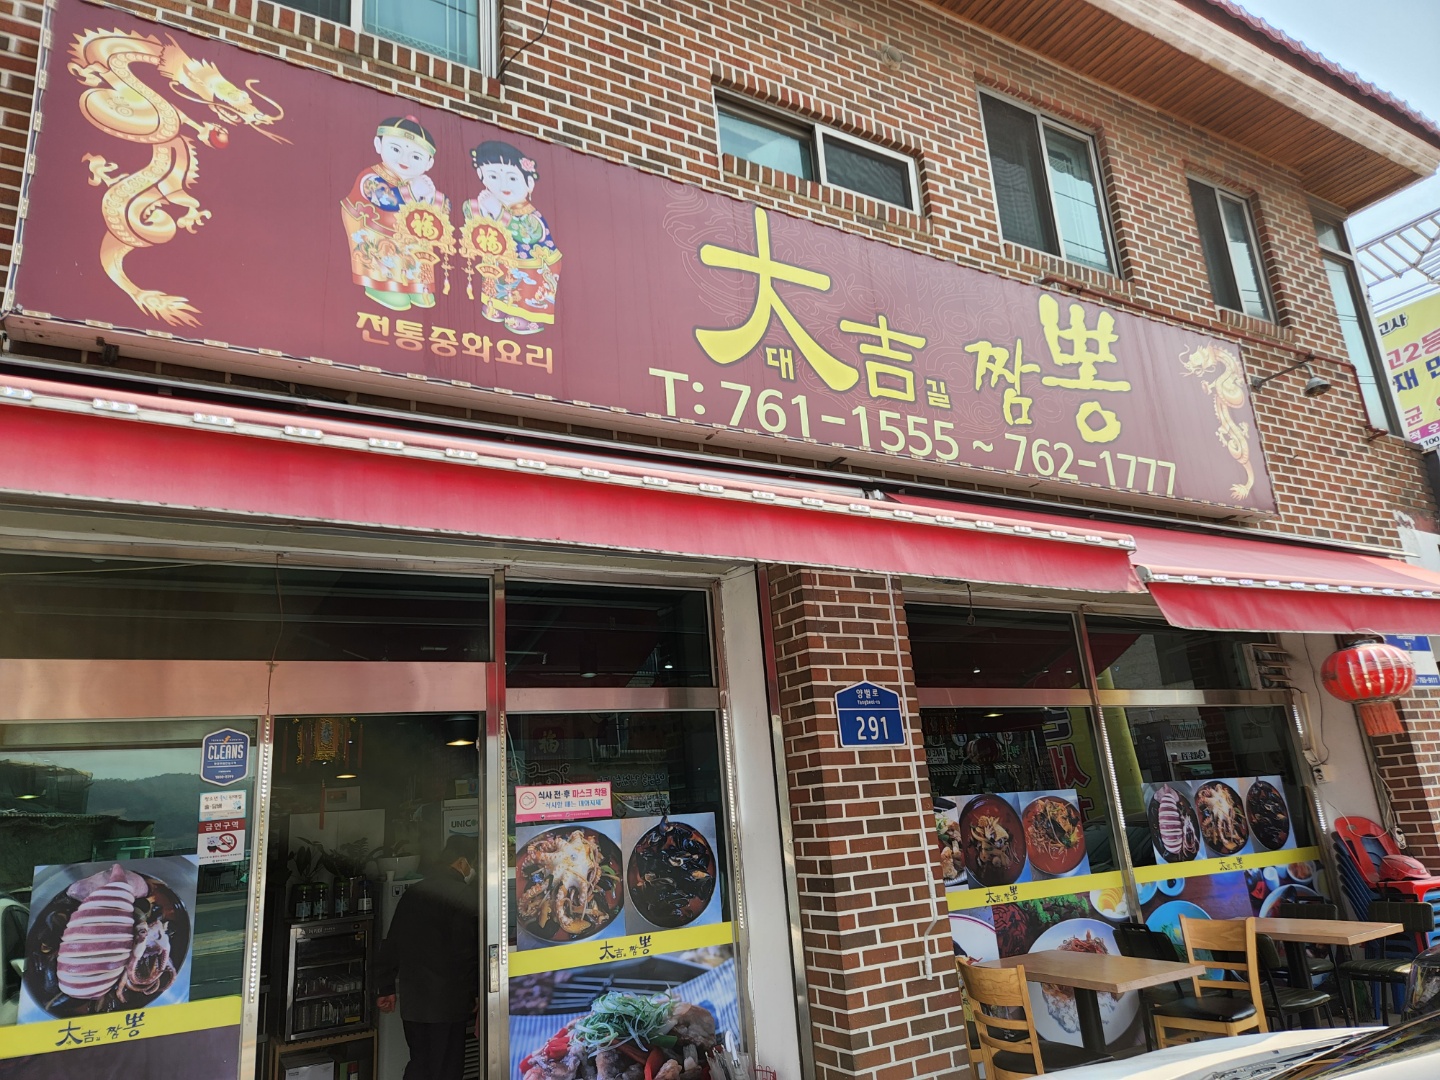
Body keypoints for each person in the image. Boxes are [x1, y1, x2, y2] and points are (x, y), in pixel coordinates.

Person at [374, 833, 479, 1080]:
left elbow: (393, 941)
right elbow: (466, 952)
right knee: (446, 1069)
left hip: (414, 1001)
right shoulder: (462, 895)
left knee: (420, 1063)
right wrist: (476, 992)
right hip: (448, 1002)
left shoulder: (415, 892)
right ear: (462, 862)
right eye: (472, 864)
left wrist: (385, 987)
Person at [341, 115, 450, 312]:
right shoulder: (371, 176)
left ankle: (416, 287)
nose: (404, 160)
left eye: (416, 157)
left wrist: (431, 198)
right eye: (396, 149)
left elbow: (443, 211)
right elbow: (388, 201)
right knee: (383, 253)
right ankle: (381, 286)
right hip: (376, 232)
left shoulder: (420, 183)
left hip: (406, 237)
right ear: (378, 145)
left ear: (429, 164)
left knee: (422, 237)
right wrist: (414, 192)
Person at [461, 140, 561, 334]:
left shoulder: (531, 215)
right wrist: (481, 209)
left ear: (529, 183)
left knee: (525, 296)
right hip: (502, 262)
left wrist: (498, 213)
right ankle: (497, 306)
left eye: (512, 178)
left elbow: (527, 234)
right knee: (499, 287)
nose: (503, 185)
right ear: (481, 176)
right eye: (493, 176)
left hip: (531, 267)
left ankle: (527, 318)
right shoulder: (490, 203)